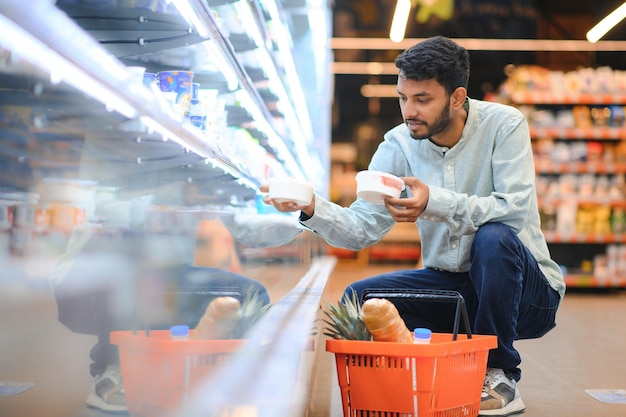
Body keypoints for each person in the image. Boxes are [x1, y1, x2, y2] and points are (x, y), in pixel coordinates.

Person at [262, 36, 565, 416]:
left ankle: (499, 374)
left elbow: (514, 210)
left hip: (527, 295)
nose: (410, 111)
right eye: (403, 97)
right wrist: (311, 207)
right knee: (361, 299)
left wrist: (434, 201)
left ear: (457, 98)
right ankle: (397, 380)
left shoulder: (503, 125)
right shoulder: (399, 145)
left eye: (423, 99)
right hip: (456, 289)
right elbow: (360, 230)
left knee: (494, 237)